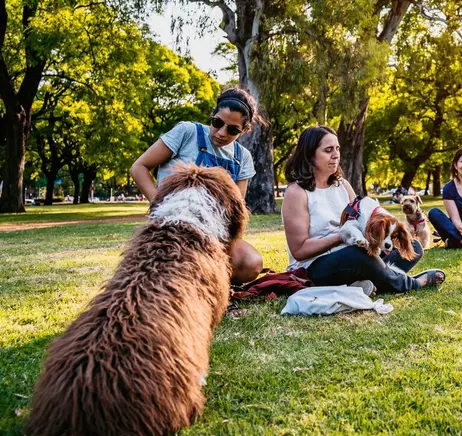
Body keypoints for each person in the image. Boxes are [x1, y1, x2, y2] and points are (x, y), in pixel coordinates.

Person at [281, 125, 445, 294]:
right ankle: (410, 284)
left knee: (413, 247)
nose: (336, 155)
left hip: (353, 255)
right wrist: (341, 236)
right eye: (328, 150)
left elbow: (361, 222)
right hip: (315, 266)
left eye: (337, 148)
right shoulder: (297, 192)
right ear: (309, 155)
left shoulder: (342, 185)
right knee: (360, 256)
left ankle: (362, 284)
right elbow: (299, 250)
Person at [131, 87, 264, 284]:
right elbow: (139, 167)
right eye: (217, 123)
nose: (221, 133)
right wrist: (159, 206)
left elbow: (236, 207)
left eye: (232, 130)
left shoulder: (242, 157)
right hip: (173, 223)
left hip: (213, 232)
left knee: (251, 263)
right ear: (212, 114)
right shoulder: (187, 132)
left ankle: (209, 283)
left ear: (244, 131)